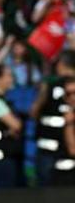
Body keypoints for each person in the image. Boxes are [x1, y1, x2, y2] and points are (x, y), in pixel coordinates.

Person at [31, 50, 75, 186]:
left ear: (61, 64)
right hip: (53, 150)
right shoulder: (50, 85)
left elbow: (34, 112)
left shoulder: (49, 86)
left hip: (56, 150)